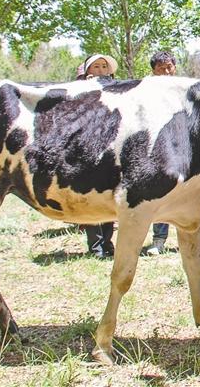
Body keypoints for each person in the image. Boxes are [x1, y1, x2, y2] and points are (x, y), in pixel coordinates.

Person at [77, 53, 119, 258]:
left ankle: (108, 242)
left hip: (111, 150)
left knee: (109, 198)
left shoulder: (117, 90)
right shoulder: (79, 90)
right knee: (91, 199)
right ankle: (95, 246)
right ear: (87, 71)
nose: (101, 70)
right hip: (87, 150)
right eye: (96, 66)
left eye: (104, 66)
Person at [145, 51, 177, 255]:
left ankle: (193, 234)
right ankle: (159, 240)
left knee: (189, 194)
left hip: (183, 148)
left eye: (169, 67)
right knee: (160, 195)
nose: (166, 72)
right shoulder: (146, 90)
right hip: (157, 149)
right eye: (161, 68)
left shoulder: (183, 89)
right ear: (153, 70)